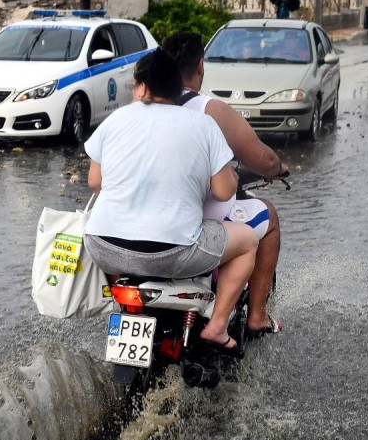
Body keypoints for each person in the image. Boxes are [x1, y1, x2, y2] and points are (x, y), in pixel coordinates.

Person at [83, 48, 258, 355]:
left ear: (142, 86)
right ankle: (217, 327)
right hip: (172, 251)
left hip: (103, 246)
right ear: (178, 87)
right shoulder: (201, 125)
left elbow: (95, 182)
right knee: (248, 240)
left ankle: (126, 313)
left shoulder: (115, 119)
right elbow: (223, 191)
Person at [163, 31, 287, 337]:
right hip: (199, 227)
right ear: (200, 66)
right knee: (268, 216)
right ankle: (256, 316)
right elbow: (261, 160)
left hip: (148, 223)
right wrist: (277, 168)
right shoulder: (209, 110)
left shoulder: (144, 107)